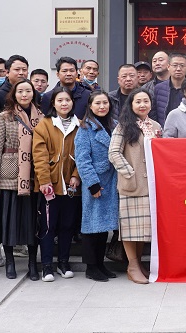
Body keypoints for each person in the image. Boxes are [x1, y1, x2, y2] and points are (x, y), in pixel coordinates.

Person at [0, 79, 43, 281]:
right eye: (20, 91)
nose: (24, 95)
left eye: (28, 91)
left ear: (33, 93)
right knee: (8, 220)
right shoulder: (4, 116)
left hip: (33, 174)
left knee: (31, 221)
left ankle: (32, 262)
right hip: (9, 173)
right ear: (14, 94)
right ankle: (10, 261)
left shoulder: (41, 117)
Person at [109, 88, 162, 284]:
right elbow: (113, 152)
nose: (142, 105)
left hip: (152, 185)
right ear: (131, 105)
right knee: (130, 228)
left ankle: (138, 264)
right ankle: (132, 265)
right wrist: (129, 172)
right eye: (138, 101)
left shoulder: (155, 126)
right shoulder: (123, 126)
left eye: (146, 101)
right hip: (132, 184)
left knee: (143, 228)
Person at [33, 86, 81, 282]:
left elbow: (83, 154)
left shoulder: (80, 125)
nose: (64, 104)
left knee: (67, 225)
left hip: (71, 186)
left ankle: (63, 262)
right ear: (53, 103)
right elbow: (39, 156)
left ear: (72, 102)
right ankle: (47, 265)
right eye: (60, 100)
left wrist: (77, 175)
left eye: (67, 100)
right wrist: (44, 180)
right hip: (50, 185)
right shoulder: (44, 125)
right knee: (47, 226)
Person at [74, 91, 119, 282]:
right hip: (96, 181)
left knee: (104, 227)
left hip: (113, 180)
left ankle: (100, 264)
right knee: (92, 225)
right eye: (98, 103)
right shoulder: (85, 128)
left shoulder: (115, 125)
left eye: (105, 103)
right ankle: (91, 267)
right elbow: (82, 159)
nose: (102, 106)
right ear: (90, 106)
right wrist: (92, 184)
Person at [153, 52, 186, 126]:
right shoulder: (159, 88)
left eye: (182, 65)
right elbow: (154, 114)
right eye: (175, 65)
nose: (178, 69)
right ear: (168, 67)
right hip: (164, 131)